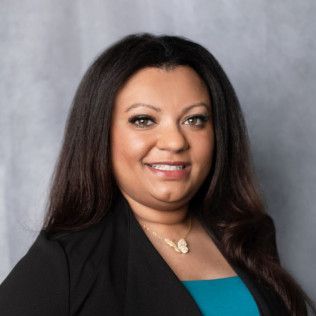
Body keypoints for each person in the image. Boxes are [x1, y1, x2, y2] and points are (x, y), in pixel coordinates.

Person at [0, 33, 314, 316]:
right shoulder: (65, 263)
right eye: (143, 120)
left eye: (194, 120)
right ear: (101, 135)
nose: (175, 142)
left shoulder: (247, 235)